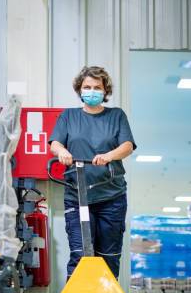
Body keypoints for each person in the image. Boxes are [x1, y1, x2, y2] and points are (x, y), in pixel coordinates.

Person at [49, 65, 136, 280]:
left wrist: (109, 155)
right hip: (77, 197)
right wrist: (62, 152)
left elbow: (127, 145)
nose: (92, 90)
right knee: (81, 256)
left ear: (105, 91)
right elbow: (55, 144)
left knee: (109, 257)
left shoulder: (116, 116)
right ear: (79, 89)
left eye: (97, 87)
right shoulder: (69, 116)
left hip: (111, 197)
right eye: (87, 86)